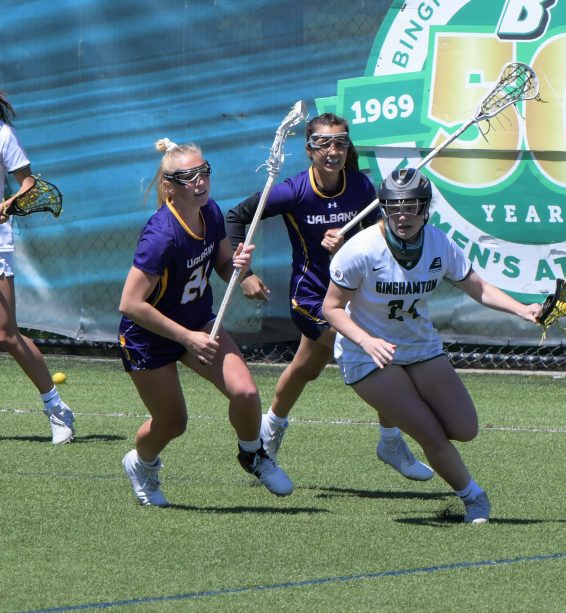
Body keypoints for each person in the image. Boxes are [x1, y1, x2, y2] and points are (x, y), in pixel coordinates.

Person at [322, 168, 543, 523]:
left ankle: (389, 439)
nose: (402, 216)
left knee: (465, 428)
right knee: (430, 432)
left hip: (419, 345)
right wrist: (367, 340)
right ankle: (474, 498)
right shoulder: (361, 249)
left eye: (411, 206)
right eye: (394, 207)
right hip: (367, 353)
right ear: (383, 208)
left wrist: (522, 309)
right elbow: (331, 308)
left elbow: (478, 287)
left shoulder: (439, 243)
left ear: (426, 208)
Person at [226, 113, 433, 481]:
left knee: (305, 368)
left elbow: (377, 236)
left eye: (340, 142)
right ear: (309, 150)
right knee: (380, 355)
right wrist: (244, 273)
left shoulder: (361, 187)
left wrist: (347, 246)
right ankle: (390, 441)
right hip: (312, 299)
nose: (333, 151)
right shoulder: (293, 191)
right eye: (323, 144)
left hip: (354, 296)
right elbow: (237, 216)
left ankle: (269, 430)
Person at [118, 138, 292, 507]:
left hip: (197, 322)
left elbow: (224, 262)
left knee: (245, 393)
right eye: (189, 177)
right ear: (169, 186)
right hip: (149, 336)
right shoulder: (161, 236)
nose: (200, 182)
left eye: (204, 172)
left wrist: (242, 275)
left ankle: (253, 454)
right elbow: (130, 304)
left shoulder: (210, 211)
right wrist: (186, 337)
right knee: (173, 422)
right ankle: (141, 464)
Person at [0, 91, 75, 445]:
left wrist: (9, 204)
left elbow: (28, 184)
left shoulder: (3, 135)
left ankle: (56, 408)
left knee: (4, 334)